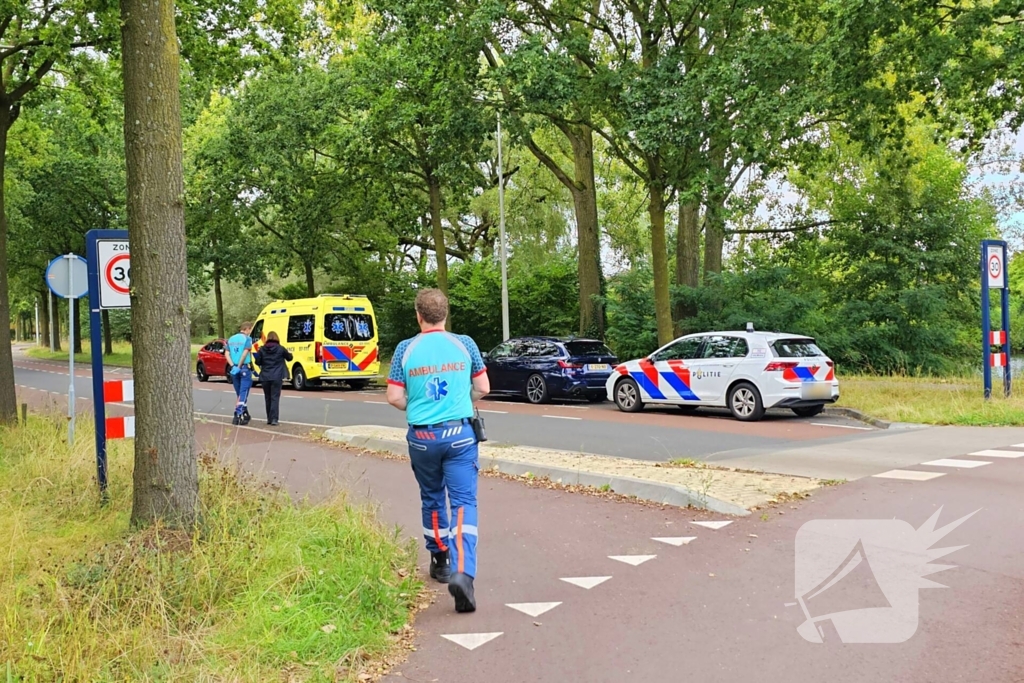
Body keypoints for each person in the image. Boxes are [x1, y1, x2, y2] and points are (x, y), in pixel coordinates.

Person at [386, 289, 489, 613]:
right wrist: (461, 401)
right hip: (459, 435)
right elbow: (483, 387)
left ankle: (440, 559)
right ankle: (463, 573)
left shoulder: (405, 349)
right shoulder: (465, 344)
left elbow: (394, 396)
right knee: (463, 503)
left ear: (418, 316)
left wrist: (416, 406)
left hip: (422, 437)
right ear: (445, 314)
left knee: (432, 497)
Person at [253, 331, 292, 426]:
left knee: (267, 398)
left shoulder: (262, 349)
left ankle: (269, 419)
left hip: (265, 376)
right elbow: (289, 358)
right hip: (277, 376)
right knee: (275, 398)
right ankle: (274, 419)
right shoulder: (280, 348)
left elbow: (257, 362)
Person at [225, 321, 254, 426]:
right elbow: (244, 354)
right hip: (244, 368)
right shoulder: (247, 339)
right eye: (250, 330)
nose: (250, 332)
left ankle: (245, 413)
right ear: (247, 329)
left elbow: (227, 354)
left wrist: (233, 365)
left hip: (234, 369)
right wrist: (239, 366)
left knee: (239, 393)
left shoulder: (231, 339)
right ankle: (237, 414)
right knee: (243, 393)